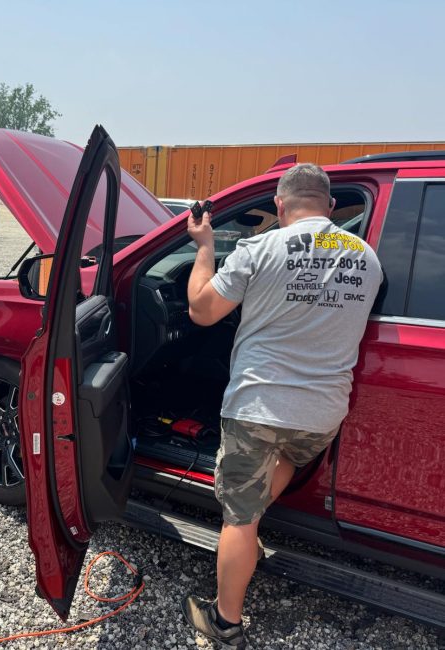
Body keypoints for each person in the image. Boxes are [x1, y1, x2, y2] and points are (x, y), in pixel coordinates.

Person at [182, 163, 383, 648]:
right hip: (322, 416)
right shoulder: (368, 258)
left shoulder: (260, 249)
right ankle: (249, 531)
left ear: (278, 204)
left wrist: (205, 247)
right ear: (330, 206)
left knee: (238, 516)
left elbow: (202, 311)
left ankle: (224, 622)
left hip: (259, 407)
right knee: (288, 456)